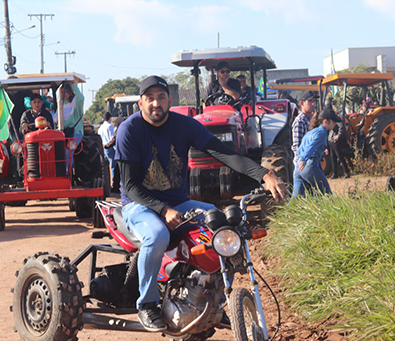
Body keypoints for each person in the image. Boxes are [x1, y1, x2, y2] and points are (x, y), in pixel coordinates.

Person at [114, 75, 287, 332]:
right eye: (150, 98)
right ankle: (147, 304)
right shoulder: (129, 129)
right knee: (157, 235)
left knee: (221, 224)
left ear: (169, 101)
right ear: (140, 103)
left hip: (179, 202)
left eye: (161, 97)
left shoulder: (184, 125)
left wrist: (264, 174)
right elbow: (130, 186)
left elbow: (224, 153)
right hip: (139, 205)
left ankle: (214, 300)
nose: (156, 103)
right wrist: (163, 209)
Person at [292, 106, 341, 198]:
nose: (335, 123)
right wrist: (304, 159)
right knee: (327, 194)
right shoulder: (322, 132)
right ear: (326, 121)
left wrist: (301, 160)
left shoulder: (310, 132)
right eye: (333, 121)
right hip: (309, 165)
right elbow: (312, 146)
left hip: (298, 168)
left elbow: (302, 148)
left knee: (295, 199)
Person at [52, 81, 85, 168]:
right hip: (61, 133)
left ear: (70, 92)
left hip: (75, 132)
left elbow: (80, 98)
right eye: (62, 92)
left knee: (68, 152)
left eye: (66, 92)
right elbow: (54, 120)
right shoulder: (60, 105)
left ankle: (67, 171)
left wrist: (73, 84)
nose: (64, 94)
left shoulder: (75, 103)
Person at [292, 90, 317, 167]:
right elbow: (297, 147)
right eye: (309, 101)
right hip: (303, 164)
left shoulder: (313, 120)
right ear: (302, 103)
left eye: (314, 101)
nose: (313, 104)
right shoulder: (300, 122)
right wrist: (303, 162)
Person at [104, 115, 124, 192]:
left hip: (121, 154)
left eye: (116, 122)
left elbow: (113, 141)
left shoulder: (119, 130)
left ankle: (116, 187)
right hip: (125, 153)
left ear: (118, 123)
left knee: (117, 170)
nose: (115, 124)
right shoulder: (127, 129)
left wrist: (106, 146)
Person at [98, 112, 116, 187]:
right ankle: (114, 183)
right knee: (113, 166)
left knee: (105, 167)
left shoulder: (100, 128)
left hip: (102, 148)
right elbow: (112, 138)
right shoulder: (110, 126)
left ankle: (106, 183)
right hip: (109, 148)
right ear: (109, 118)